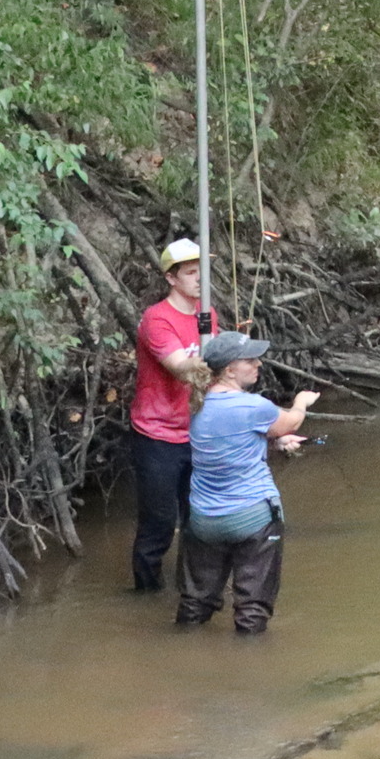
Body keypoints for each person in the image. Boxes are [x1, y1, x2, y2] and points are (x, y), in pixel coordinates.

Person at [175, 331, 315, 635]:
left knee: (195, 603)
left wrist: (273, 444)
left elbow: (234, 440)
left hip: (203, 520)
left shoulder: (196, 404)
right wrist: (302, 402)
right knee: (252, 609)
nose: (258, 364)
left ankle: (181, 651)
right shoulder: (254, 406)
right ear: (229, 370)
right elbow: (290, 422)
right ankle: (249, 668)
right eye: (250, 360)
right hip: (253, 519)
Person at [127, 238, 215, 593]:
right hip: (156, 436)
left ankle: (191, 593)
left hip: (195, 431)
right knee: (159, 523)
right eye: (192, 273)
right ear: (171, 278)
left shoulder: (209, 315)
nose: (200, 280)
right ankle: (146, 594)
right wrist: (221, 361)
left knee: (200, 520)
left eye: (202, 273)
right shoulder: (156, 319)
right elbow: (181, 368)